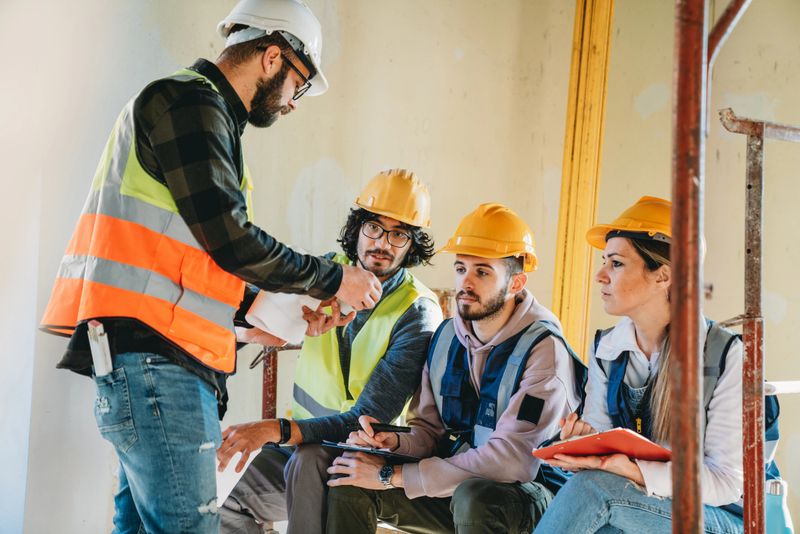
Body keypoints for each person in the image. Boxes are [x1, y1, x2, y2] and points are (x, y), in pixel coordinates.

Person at [37, 1, 382, 532]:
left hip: (154, 362)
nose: (294, 104)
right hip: (157, 367)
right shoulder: (189, 104)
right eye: (301, 84)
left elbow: (198, 262)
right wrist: (335, 277)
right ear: (272, 57)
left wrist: (279, 312)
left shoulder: (205, 118)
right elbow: (232, 241)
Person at [325, 203, 587, 534]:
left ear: (517, 282)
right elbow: (429, 432)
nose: (466, 282)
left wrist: (390, 475)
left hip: (533, 496)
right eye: (461, 268)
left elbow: (511, 461)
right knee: (350, 476)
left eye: (482, 272)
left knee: (475, 497)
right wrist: (393, 443)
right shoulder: (447, 337)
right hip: (460, 484)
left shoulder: (544, 352)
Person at [218, 169, 444, 534]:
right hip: (299, 445)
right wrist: (264, 329)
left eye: (399, 234)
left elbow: (363, 420)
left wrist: (270, 429)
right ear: (356, 229)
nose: (382, 243)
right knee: (222, 489)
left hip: (366, 456)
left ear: (412, 246)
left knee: (310, 460)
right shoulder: (324, 272)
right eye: (374, 227)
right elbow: (254, 322)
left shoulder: (417, 311)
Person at [535, 196, 746, 533]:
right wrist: (585, 447)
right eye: (604, 262)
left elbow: (726, 483)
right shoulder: (608, 348)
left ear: (663, 275)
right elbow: (603, 455)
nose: (600, 276)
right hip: (640, 503)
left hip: (717, 518)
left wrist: (631, 470)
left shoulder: (723, 354)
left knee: (595, 491)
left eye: (616, 263)